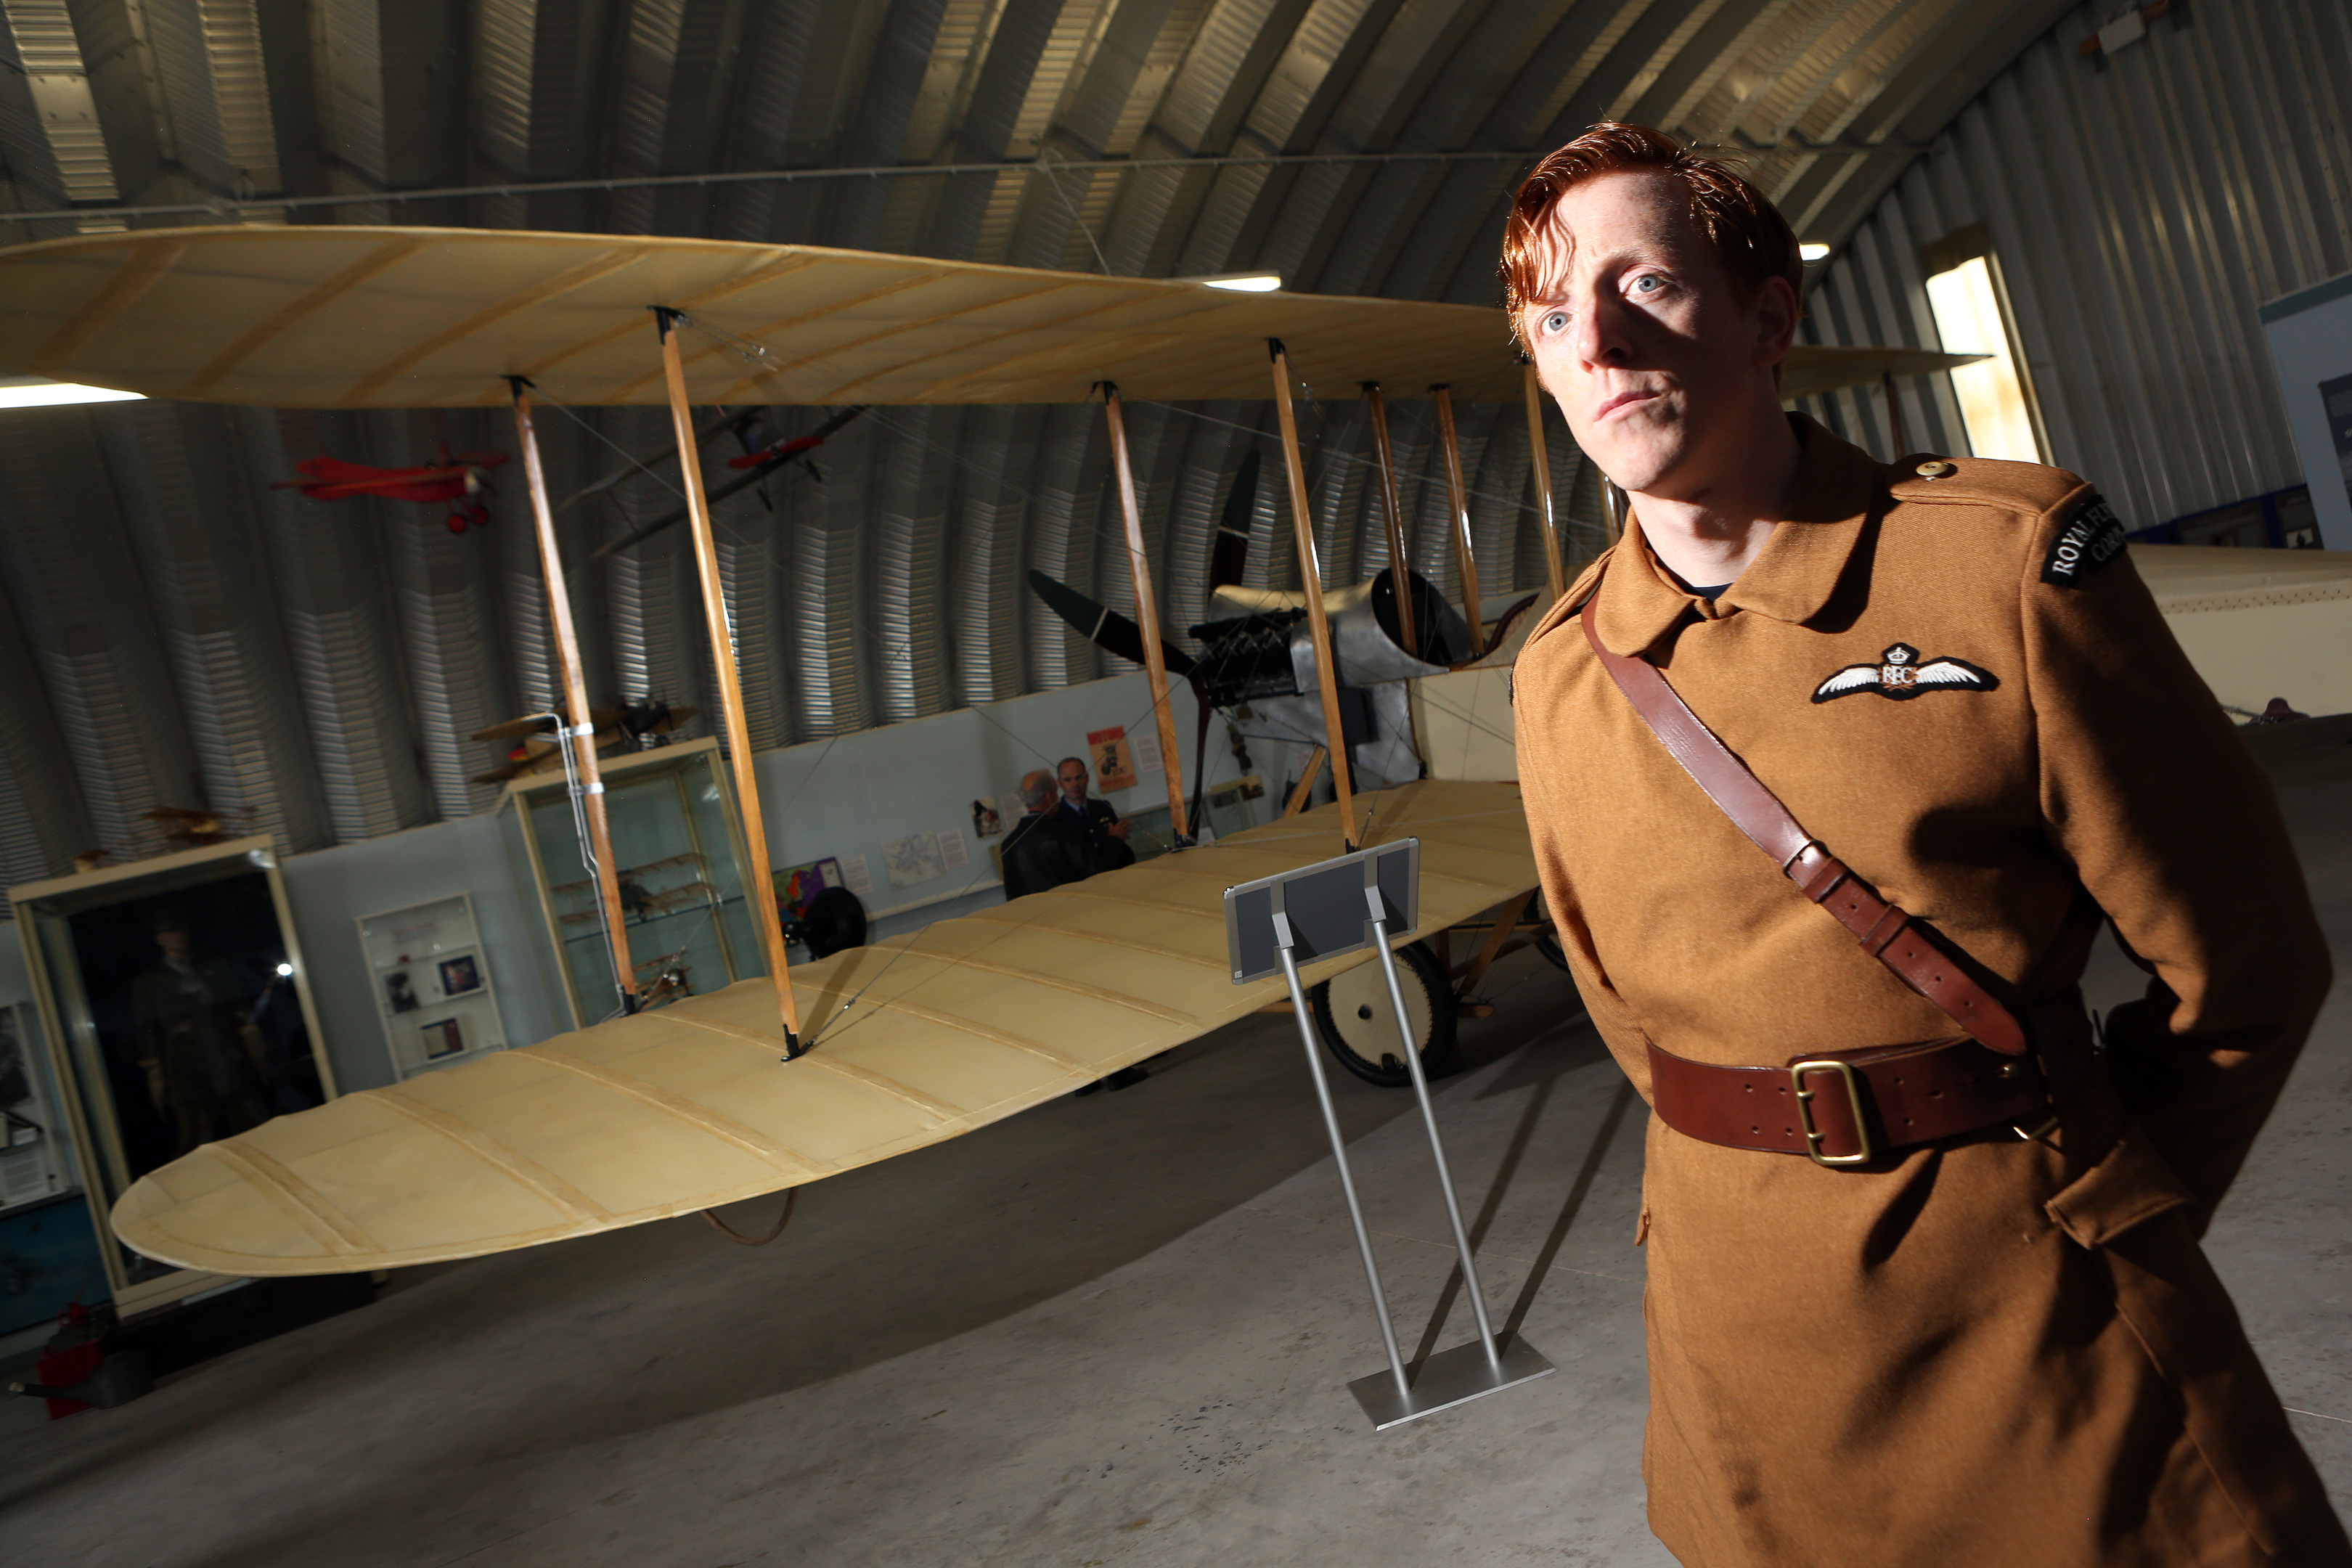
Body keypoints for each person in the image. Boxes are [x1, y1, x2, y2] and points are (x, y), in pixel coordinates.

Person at [1505, 123, 2345, 1565]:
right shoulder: (1562, 676)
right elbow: (1632, 1022)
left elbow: (2246, 964)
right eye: (1554, 313)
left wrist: (2098, 1208)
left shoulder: (1999, 566)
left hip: (2034, 1317)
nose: (1602, 337)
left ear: (1771, 316)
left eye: (1649, 282)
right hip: (1742, 1346)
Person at [999, 770, 1095, 900]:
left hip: (1036, 916)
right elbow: (1093, 872)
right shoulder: (1063, 833)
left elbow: (1012, 896)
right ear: (1050, 796)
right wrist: (1115, 840)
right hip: (1072, 910)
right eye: (1056, 793)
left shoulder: (1009, 844)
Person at [1056, 755, 1135, 873]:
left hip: (1115, 872)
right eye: (1068, 780)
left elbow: (1119, 848)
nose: (1075, 784)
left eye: (1079, 777)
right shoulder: (1057, 817)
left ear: (1087, 778)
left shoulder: (1103, 807)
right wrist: (1114, 839)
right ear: (1060, 783)